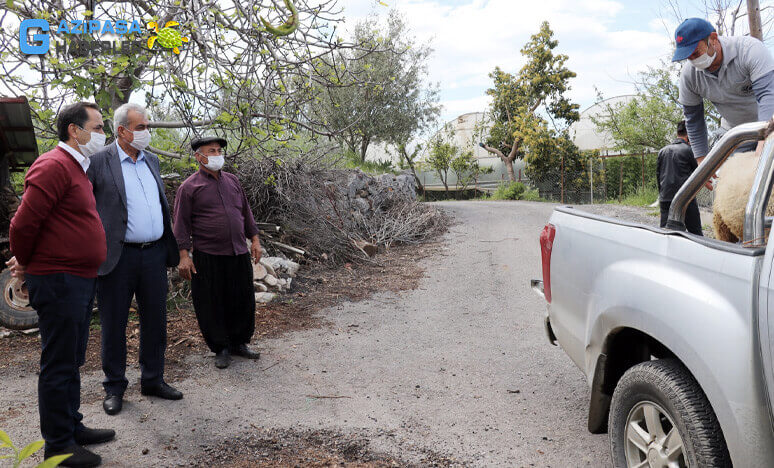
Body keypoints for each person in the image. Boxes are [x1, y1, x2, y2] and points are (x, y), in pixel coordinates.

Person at [8, 102, 113, 467]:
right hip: (59, 280)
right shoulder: (53, 165)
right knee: (58, 363)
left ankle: (72, 426)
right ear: (74, 130)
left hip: (79, 279)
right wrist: (26, 262)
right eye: (98, 128)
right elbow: (23, 225)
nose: (103, 135)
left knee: (72, 359)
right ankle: (59, 447)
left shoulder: (77, 168)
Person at [87, 103, 182, 416]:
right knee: (114, 324)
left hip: (153, 254)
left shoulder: (151, 159)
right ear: (121, 131)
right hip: (118, 257)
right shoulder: (99, 162)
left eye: (147, 127)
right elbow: (83, 208)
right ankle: (114, 387)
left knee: (156, 321)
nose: (146, 133)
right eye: (140, 128)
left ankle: (153, 379)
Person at [173, 136, 262, 369]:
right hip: (208, 255)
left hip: (237, 251)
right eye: (211, 151)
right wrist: (184, 256)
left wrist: (255, 240)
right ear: (199, 156)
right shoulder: (189, 187)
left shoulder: (232, 181)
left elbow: (246, 213)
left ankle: (239, 343)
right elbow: (180, 225)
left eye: (219, 150)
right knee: (212, 303)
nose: (217, 154)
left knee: (242, 299)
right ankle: (221, 347)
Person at [673, 17, 774, 164]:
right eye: (688, 57)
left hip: (769, 125)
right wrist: (701, 161)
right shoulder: (689, 76)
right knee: (731, 178)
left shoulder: (749, 50)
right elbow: (694, 120)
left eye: (695, 53)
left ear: (713, 39)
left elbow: (768, 96)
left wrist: (764, 143)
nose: (693, 60)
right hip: (737, 133)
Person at [657, 120, 703, 236]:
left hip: (665, 198)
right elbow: (698, 174)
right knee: (696, 233)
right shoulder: (689, 151)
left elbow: (658, 176)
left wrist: (661, 195)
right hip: (685, 199)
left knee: (666, 234)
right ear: (689, 136)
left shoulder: (662, 151)